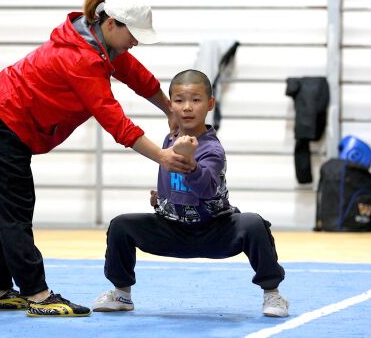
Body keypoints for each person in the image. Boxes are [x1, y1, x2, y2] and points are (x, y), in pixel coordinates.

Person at [0, 0, 196, 318]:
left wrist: (169, 109)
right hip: (1, 122)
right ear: (113, 24)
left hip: (4, 119)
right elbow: (113, 119)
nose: (136, 43)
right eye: (133, 35)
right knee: (14, 208)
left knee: (4, 209)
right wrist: (162, 157)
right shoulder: (81, 58)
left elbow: (136, 76)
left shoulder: (100, 43)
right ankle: (37, 293)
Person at [92, 69, 289, 318]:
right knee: (121, 225)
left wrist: (190, 163)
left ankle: (272, 293)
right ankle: (121, 293)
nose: (187, 107)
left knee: (254, 224)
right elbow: (170, 179)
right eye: (179, 100)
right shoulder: (169, 138)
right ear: (170, 105)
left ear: (210, 104)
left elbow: (206, 188)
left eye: (195, 100)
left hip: (214, 231)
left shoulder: (213, 149)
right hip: (172, 231)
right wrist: (161, 199)